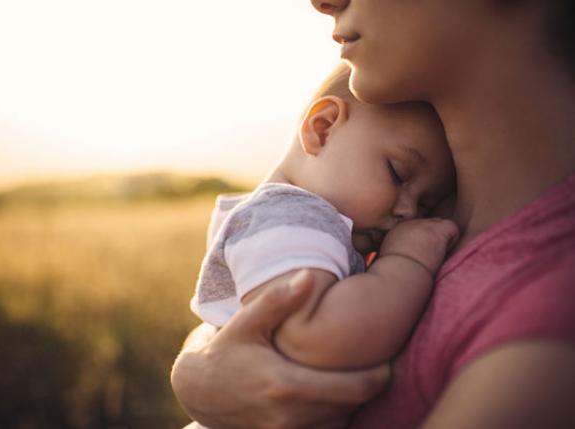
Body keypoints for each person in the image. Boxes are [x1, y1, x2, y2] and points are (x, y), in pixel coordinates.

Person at [171, 0, 575, 428]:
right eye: (398, 174)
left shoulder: (550, 297)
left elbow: (308, 332)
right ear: (322, 128)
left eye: (402, 177)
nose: (321, 2)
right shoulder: (383, 210)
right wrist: (198, 369)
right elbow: (261, 315)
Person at [191, 63, 456, 373]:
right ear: (323, 129)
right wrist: (408, 260)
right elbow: (319, 336)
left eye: (426, 205)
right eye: (398, 174)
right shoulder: (287, 217)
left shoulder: (281, 223)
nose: (409, 212)